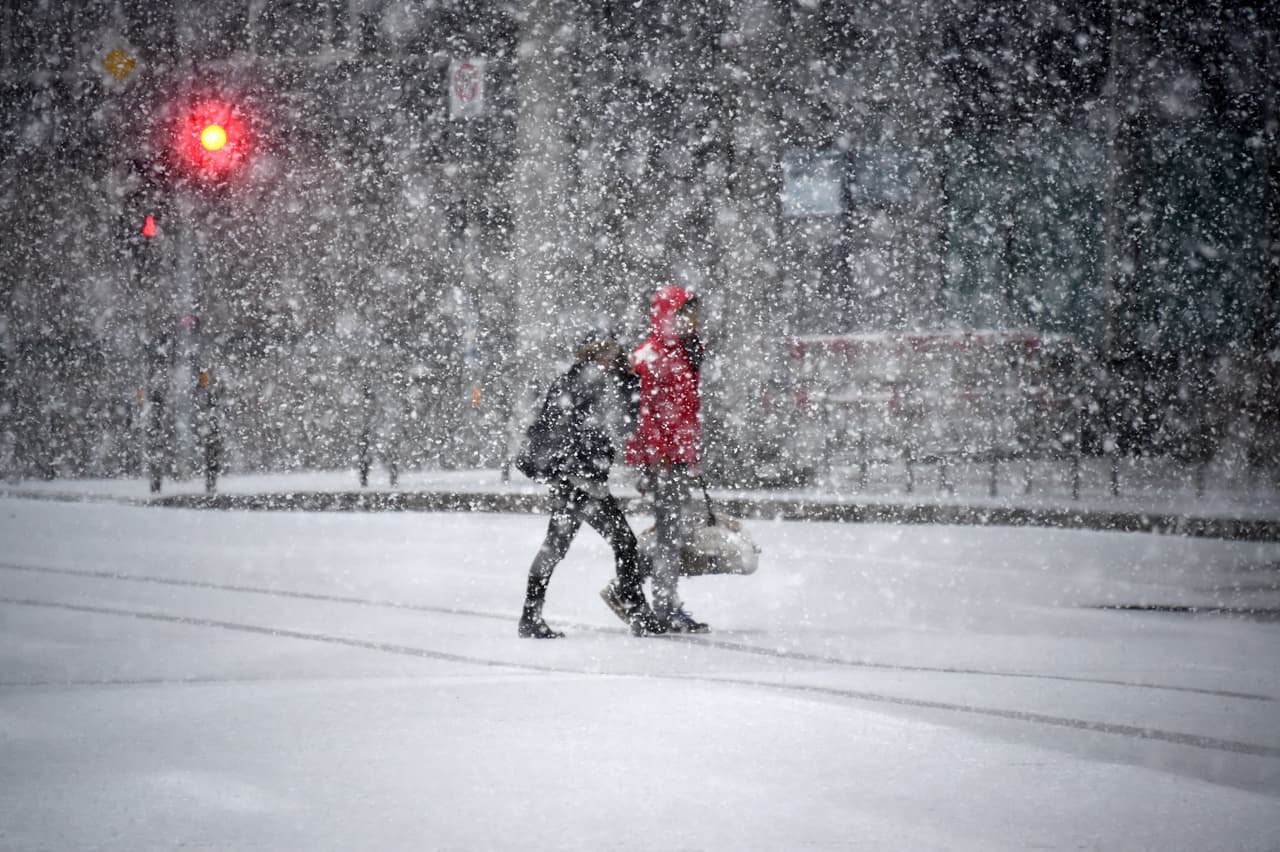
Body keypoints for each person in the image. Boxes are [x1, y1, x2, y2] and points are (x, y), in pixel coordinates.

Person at [515, 329, 660, 638]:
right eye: (603, 351)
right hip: (578, 481)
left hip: (582, 479)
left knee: (558, 548)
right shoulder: (577, 383)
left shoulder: (603, 382)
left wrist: (629, 378)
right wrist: (571, 463)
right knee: (622, 543)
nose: (609, 356)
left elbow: (630, 413)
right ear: (589, 354)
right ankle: (636, 610)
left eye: (613, 351)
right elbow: (556, 427)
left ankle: (531, 615)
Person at [622, 285, 710, 634]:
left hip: (676, 455)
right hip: (661, 460)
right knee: (671, 532)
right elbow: (643, 411)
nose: (691, 322)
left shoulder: (685, 351)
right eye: (684, 315)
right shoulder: (652, 355)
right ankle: (663, 604)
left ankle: (635, 585)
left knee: (676, 531)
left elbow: (685, 410)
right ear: (668, 316)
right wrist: (658, 453)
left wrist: (688, 453)